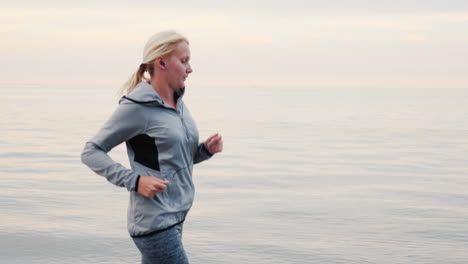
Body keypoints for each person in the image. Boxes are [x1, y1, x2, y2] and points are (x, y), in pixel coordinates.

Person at [81, 30, 223, 264]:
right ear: (162, 62)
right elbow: (91, 152)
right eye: (184, 61)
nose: (190, 69)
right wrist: (135, 181)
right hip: (154, 223)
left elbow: (172, 159)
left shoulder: (178, 103)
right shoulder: (136, 107)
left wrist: (204, 150)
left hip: (176, 216)